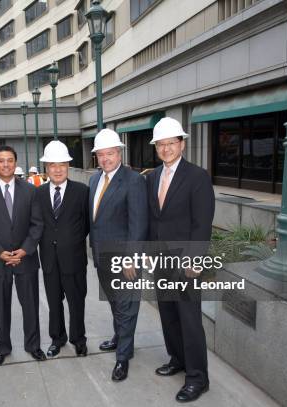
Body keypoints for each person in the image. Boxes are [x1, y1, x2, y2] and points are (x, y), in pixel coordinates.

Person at [145, 117, 215, 403]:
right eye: (160, 144)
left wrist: (195, 259)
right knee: (169, 315)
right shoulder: (150, 177)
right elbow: (152, 219)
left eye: (171, 143)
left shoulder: (197, 177)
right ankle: (177, 359)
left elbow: (202, 222)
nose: (166, 149)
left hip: (185, 262)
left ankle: (198, 377)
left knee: (189, 319)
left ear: (182, 144)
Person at [0, 146, 45, 367]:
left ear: (16, 163)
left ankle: (33, 345)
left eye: (10, 160)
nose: (6, 164)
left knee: (31, 305)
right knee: (0, 307)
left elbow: (37, 224)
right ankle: (2, 347)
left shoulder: (30, 190)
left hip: (25, 258)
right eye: (1, 161)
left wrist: (25, 249)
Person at [88, 129, 148, 382]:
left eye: (110, 153)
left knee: (127, 306)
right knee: (115, 303)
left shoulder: (133, 180)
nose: (105, 159)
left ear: (119, 153)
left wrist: (132, 257)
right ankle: (120, 338)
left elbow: (138, 223)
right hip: (102, 256)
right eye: (100, 155)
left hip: (125, 258)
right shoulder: (94, 180)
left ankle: (123, 358)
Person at [36, 141, 89, 358]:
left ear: (68, 166)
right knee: (54, 303)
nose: (57, 170)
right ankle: (57, 338)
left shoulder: (82, 191)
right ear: (46, 168)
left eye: (62, 165)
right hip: (49, 260)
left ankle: (79, 339)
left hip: (74, 259)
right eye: (52, 165)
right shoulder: (37, 194)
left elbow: (86, 224)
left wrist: (70, 241)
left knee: (77, 302)